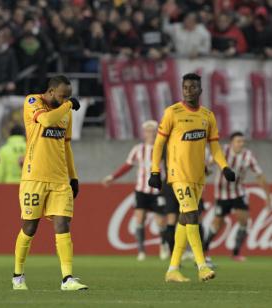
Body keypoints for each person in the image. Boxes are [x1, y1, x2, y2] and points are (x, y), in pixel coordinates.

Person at [149, 73, 235, 282]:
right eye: (185, 87)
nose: (188, 91)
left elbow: (214, 146)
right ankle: (202, 265)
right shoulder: (172, 113)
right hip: (178, 175)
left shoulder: (207, 116)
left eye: (192, 87)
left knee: (183, 220)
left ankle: (172, 269)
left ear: (200, 90)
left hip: (198, 176)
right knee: (193, 215)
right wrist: (154, 171)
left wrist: (224, 166)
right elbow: (159, 144)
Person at [12, 75, 87, 291]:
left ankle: (67, 278)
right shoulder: (32, 101)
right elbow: (45, 120)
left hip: (59, 178)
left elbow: (66, 146)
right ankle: (18, 275)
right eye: (63, 96)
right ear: (51, 91)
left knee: (63, 224)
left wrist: (74, 176)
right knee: (30, 227)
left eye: (69, 98)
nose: (66, 101)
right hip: (34, 176)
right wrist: (69, 105)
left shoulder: (64, 112)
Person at [102, 120, 168, 261]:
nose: (150, 134)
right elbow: (127, 165)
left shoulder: (163, 148)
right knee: (140, 218)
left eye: (153, 131)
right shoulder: (138, 149)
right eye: (148, 131)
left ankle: (163, 245)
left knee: (161, 221)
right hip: (141, 190)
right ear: (144, 133)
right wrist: (112, 177)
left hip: (158, 191)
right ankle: (141, 251)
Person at [203, 132, 271, 261]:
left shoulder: (248, 156)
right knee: (218, 224)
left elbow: (260, 175)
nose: (241, 144)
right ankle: (204, 249)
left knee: (244, 220)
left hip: (238, 193)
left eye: (242, 141)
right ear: (231, 143)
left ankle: (235, 252)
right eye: (238, 141)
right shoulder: (223, 151)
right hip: (222, 194)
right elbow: (208, 165)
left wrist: (268, 198)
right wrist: (205, 172)